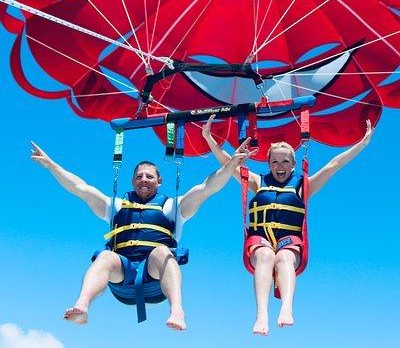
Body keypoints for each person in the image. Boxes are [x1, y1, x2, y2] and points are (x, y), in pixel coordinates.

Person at [30, 140, 252, 331]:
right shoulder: (115, 206)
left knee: (162, 252)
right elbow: (80, 188)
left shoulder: (172, 207)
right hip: (122, 280)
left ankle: (177, 310)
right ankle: (82, 307)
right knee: (105, 257)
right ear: (133, 181)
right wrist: (51, 164)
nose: (144, 179)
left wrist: (232, 163)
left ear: (159, 181)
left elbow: (206, 188)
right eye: (139, 176)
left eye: (149, 176)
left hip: (155, 282)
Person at [202, 116, 373, 336]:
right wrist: (209, 139)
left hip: (289, 244)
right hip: (260, 241)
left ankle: (286, 307)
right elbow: (229, 164)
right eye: (274, 162)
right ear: (268, 164)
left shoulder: (304, 186)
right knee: (265, 255)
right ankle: (262, 313)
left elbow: (334, 165)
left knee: (282, 258)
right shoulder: (257, 182)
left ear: (293, 164)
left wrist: (362, 143)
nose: (279, 166)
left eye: (284, 162)